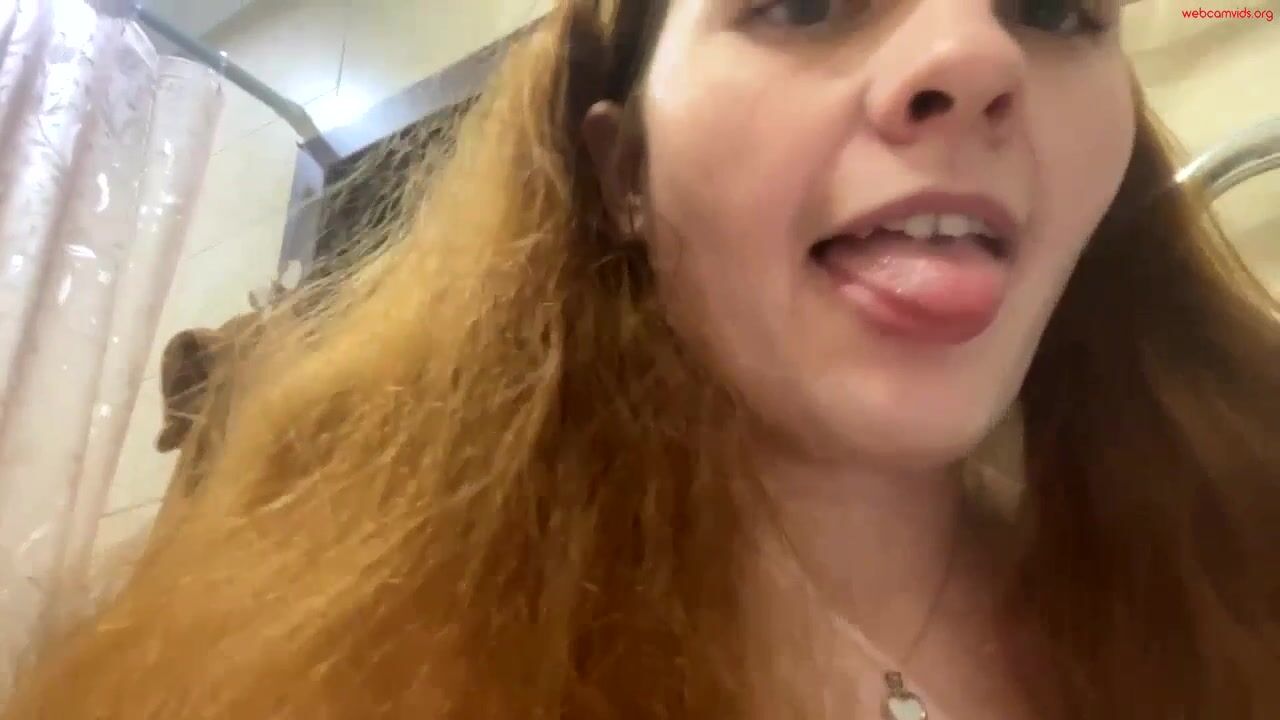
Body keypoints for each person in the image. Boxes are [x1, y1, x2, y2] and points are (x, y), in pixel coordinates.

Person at [5, 0, 1278, 718]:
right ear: (621, 170)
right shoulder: (327, 677)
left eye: (1054, 5)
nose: (975, 56)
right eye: (807, 1)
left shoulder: (1233, 597)